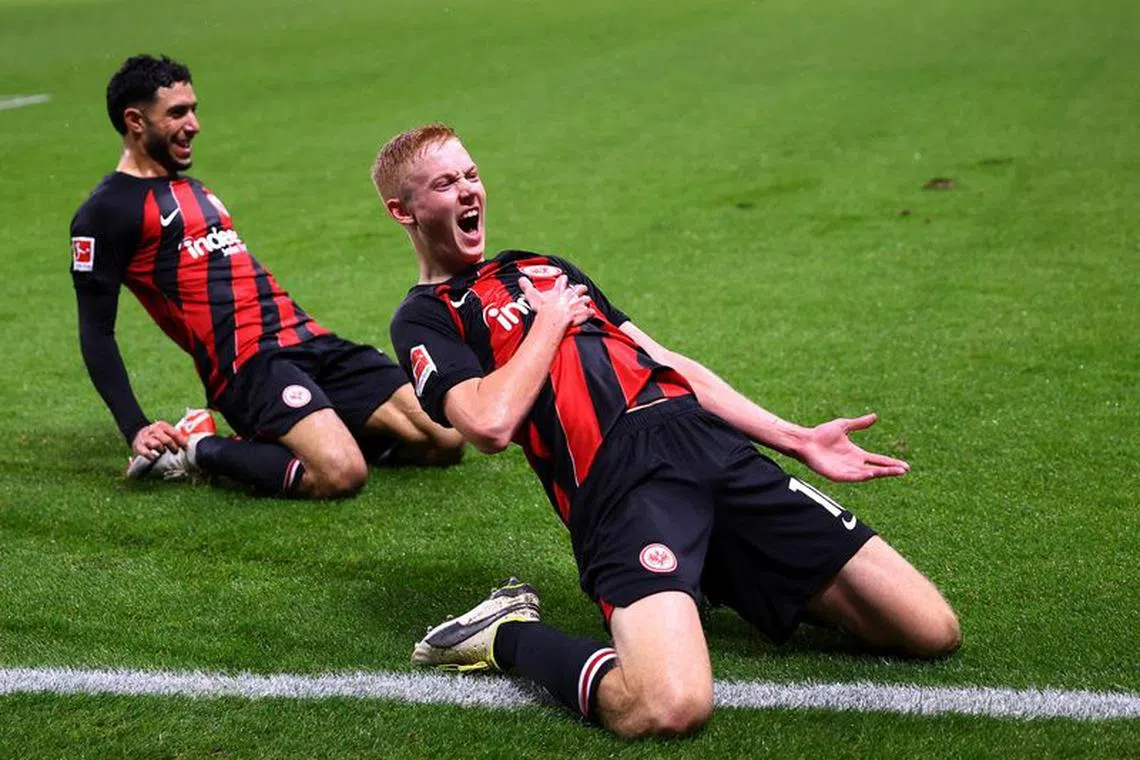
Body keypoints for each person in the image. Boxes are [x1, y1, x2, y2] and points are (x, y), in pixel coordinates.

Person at [377, 124, 961, 738]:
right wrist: (548, 325)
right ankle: (506, 633)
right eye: (445, 184)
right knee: (666, 707)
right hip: (620, 481)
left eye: (471, 175)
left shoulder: (541, 266)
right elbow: (488, 424)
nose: (468, 191)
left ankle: (714, 564)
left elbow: (665, 360)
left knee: (930, 629)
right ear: (404, 210)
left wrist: (795, 437)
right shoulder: (424, 318)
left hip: (706, 445)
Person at [70, 56, 464, 499]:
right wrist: (135, 426)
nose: (194, 124)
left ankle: (318, 431)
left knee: (444, 439)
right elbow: (96, 330)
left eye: (193, 109)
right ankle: (195, 447)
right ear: (134, 121)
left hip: (309, 340)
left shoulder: (192, 189)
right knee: (341, 474)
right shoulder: (105, 213)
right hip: (248, 364)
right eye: (177, 113)